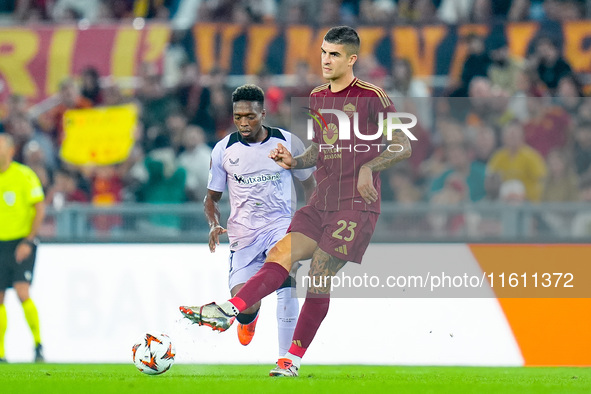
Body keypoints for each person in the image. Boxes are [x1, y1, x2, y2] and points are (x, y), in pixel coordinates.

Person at [180, 26, 412, 377]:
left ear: (352, 59)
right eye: (323, 52)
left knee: (319, 273)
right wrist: (294, 161)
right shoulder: (318, 97)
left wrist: (370, 166)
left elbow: (401, 144)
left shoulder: (374, 97)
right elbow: (320, 149)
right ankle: (233, 309)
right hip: (322, 202)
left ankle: (291, 359)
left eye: (334, 54)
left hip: (355, 205)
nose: (325, 59)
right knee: (281, 255)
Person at [201, 85, 315, 354]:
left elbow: (311, 185)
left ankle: (287, 362)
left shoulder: (287, 142)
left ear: (263, 113)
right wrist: (213, 223)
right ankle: (248, 319)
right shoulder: (223, 150)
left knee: (287, 279)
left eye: (250, 116)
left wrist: (308, 219)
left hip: (281, 226)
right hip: (244, 235)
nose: (243, 122)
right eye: (238, 116)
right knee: (244, 306)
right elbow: (211, 198)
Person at [0, 134, 46, 363]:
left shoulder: (24, 175)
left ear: (10, 151)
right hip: (0, 243)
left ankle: (38, 344)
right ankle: (0, 354)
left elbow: (39, 208)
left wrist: (28, 240)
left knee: (21, 292)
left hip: (20, 243)